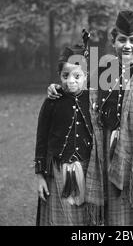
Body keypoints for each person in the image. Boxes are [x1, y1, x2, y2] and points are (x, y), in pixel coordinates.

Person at [47, 0, 133, 225]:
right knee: (114, 220)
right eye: (122, 40)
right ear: (113, 41)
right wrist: (57, 88)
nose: (127, 45)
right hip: (109, 151)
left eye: (132, 40)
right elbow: (78, 92)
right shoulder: (102, 72)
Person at [34, 35, 98, 226]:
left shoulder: (94, 100)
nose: (71, 81)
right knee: (62, 220)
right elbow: (41, 139)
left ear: (86, 76)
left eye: (77, 76)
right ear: (59, 75)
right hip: (58, 170)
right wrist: (40, 176)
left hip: (88, 169)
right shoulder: (52, 102)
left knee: (89, 221)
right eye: (65, 76)